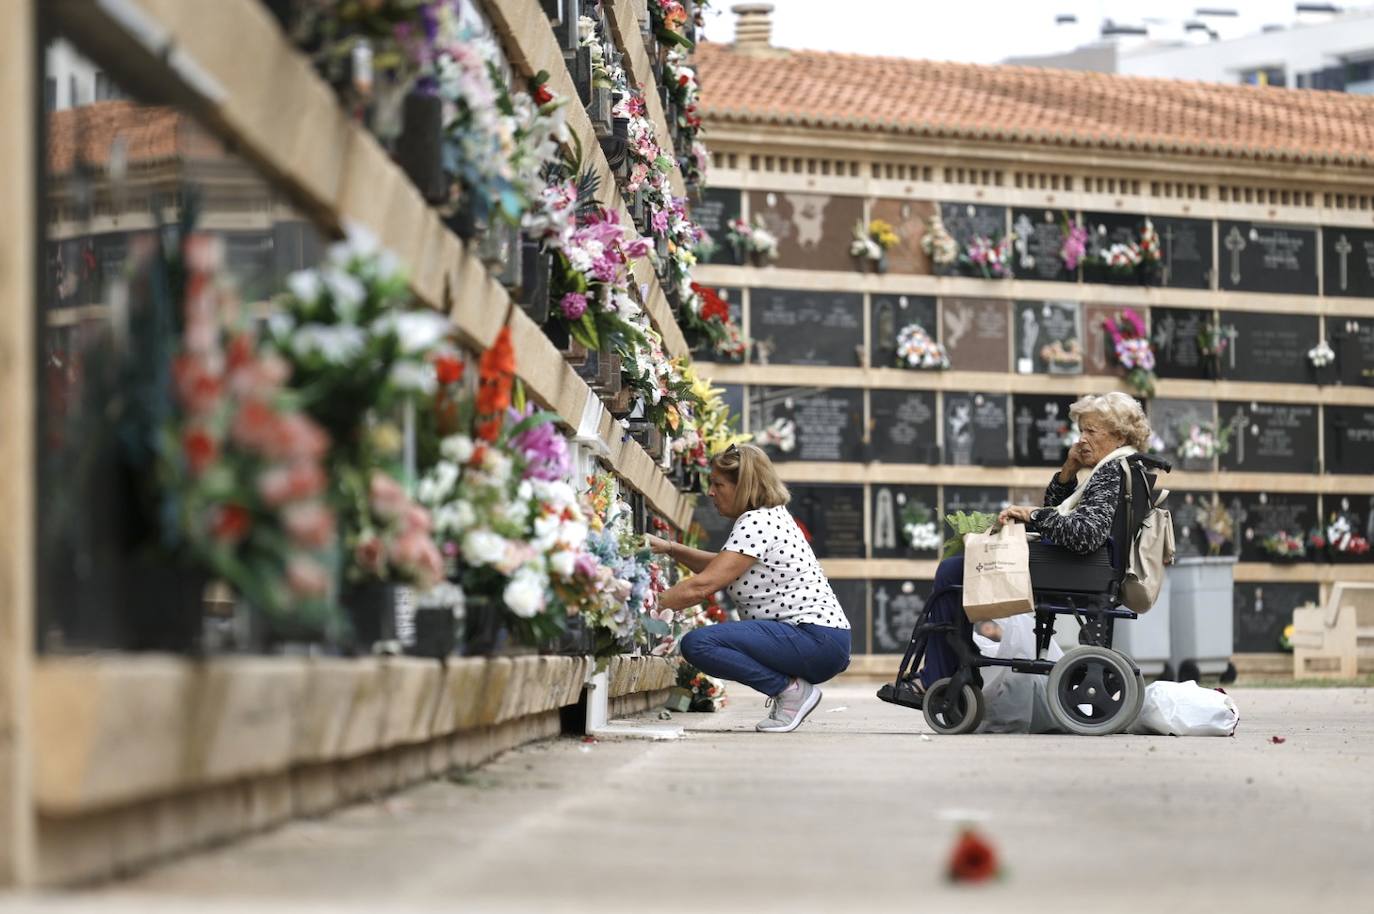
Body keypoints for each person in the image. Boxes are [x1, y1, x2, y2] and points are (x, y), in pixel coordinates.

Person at [914, 391, 1152, 695]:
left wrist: (1032, 515)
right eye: (1081, 431)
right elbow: (1062, 514)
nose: (1081, 439)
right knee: (958, 569)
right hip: (1082, 568)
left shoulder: (1110, 473)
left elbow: (1086, 534)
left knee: (951, 573)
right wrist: (1069, 472)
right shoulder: (1123, 467)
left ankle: (938, 678)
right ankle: (953, 670)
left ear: (1118, 436)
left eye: (1091, 431)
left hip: (1074, 570)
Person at [650, 444, 851, 733]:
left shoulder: (757, 521)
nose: (710, 492)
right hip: (824, 640)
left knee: (699, 644)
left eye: (718, 484)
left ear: (743, 486)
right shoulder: (770, 516)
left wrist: (645, 607)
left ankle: (790, 692)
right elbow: (723, 567)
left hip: (813, 637)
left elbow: (705, 584)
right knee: (702, 642)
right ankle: (791, 691)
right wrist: (670, 548)